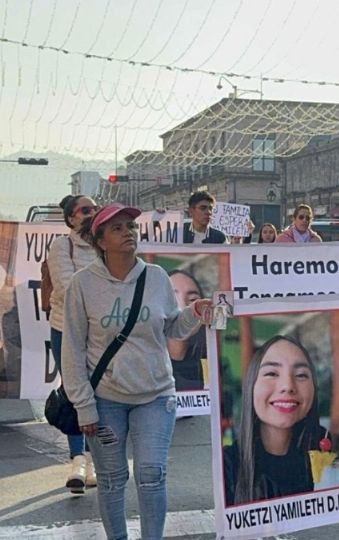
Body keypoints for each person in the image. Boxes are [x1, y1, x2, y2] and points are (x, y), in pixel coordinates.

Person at [61, 203, 213, 540]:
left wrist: (194, 312)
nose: (128, 232)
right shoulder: (82, 285)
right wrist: (84, 405)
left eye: (130, 226)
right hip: (105, 402)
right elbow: (71, 348)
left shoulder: (156, 277)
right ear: (100, 241)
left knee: (151, 473)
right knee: (112, 479)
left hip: (156, 397)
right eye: (117, 228)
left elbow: (172, 327)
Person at [222, 335, 329, 506]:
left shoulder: (329, 455)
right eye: (271, 373)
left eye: (301, 375)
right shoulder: (226, 467)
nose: (287, 386)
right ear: (251, 386)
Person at [48, 194, 100, 494]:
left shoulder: (104, 244)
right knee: (74, 393)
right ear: (71, 218)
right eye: (85, 210)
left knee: (100, 394)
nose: (91, 213)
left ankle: (95, 460)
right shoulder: (61, 246)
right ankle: (77, 461)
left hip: (99, 335)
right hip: (66, 331)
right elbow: (68, 290)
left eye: (95, 209)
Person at [167, 270, 206, 391]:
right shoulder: (142, 365)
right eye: (172, 298)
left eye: (193, 299)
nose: (183, 307)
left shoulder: (208, 364)